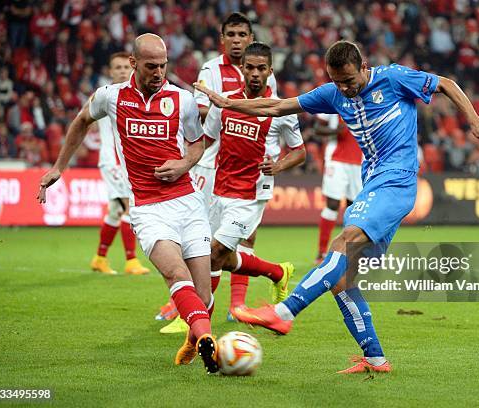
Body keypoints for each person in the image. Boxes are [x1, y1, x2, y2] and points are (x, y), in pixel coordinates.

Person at [195, 40, 479, 374]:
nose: (345, 88)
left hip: (397, 179)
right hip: (373, 182)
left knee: (342, 242)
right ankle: (375, 358)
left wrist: (474, 121)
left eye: (350, 81)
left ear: (364, 67)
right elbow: (277, 107)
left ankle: (284, 314)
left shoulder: (394, 78)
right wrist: (228, 103)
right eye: (338, 81)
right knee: (342, 279)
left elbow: (445, 83)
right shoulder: (332, 93)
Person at [38, 33, 219, 374]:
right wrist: (59, 166)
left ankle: (196, 337)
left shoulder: (182, 100)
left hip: (188, 202)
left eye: (163, 66)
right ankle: (209, 341)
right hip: (149, 208)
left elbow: (198, 144)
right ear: (134, 64)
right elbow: (80, 121)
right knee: (175, 273)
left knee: (204, 296)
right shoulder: (111, 97)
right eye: (151, 66)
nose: (159, 72)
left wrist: (183, 165)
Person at [161, 42, 304, 335]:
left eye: (260, 68)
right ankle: (277, 272)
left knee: (212, 255)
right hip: (218, 187)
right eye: (249, 67)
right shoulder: (224, 103)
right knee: (214, 256)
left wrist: (279, 166)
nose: (254, 73)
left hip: (251, 196)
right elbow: (208, 141)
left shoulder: (281, 110)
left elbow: (300, 152)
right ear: (242, 69)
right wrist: (184, 165)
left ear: (270, 71)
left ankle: (196, 318)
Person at [89, 52, 150, 276]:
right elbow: (83, 119)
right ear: (110, 71)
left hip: (127, 162)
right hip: (114, 162)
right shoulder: (104, 95)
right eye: (117, 67)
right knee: (128, 207)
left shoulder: (135, 94)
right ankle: (131, 260)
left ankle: (99, 258)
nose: (123, 70)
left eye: (126, 66)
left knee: (115, 211)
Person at [313, 113, 363, 264]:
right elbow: (317, 128)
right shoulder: (334, 100)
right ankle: (321, 253)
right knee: (332, 204)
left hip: (360, 161)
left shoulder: (368, 100)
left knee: (354, 209)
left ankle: (350, 252)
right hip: (336, 159)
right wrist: (335, 130)